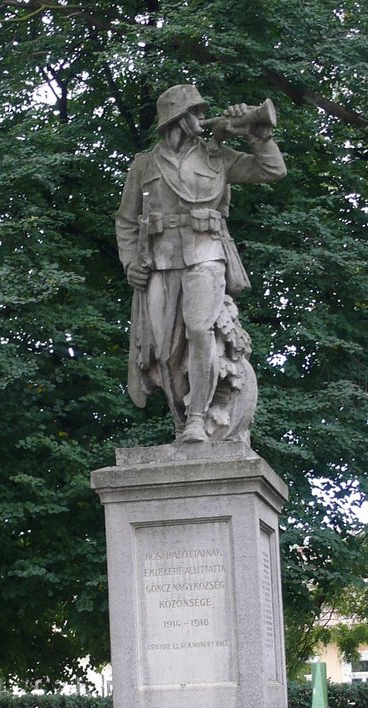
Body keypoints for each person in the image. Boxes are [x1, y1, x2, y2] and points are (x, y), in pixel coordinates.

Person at [115, 84, 286, 443]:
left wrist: (260, 135)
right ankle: (181, 423)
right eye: (195, 112)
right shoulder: (144, 165)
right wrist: (130, 261)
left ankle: (196, 419)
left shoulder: (217, 157)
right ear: (177, 119)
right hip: (160, 262)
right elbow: (127, 220)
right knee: (162, 351)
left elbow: (272, 170)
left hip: (206, 254)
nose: (202, 118)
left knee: (198, 330)